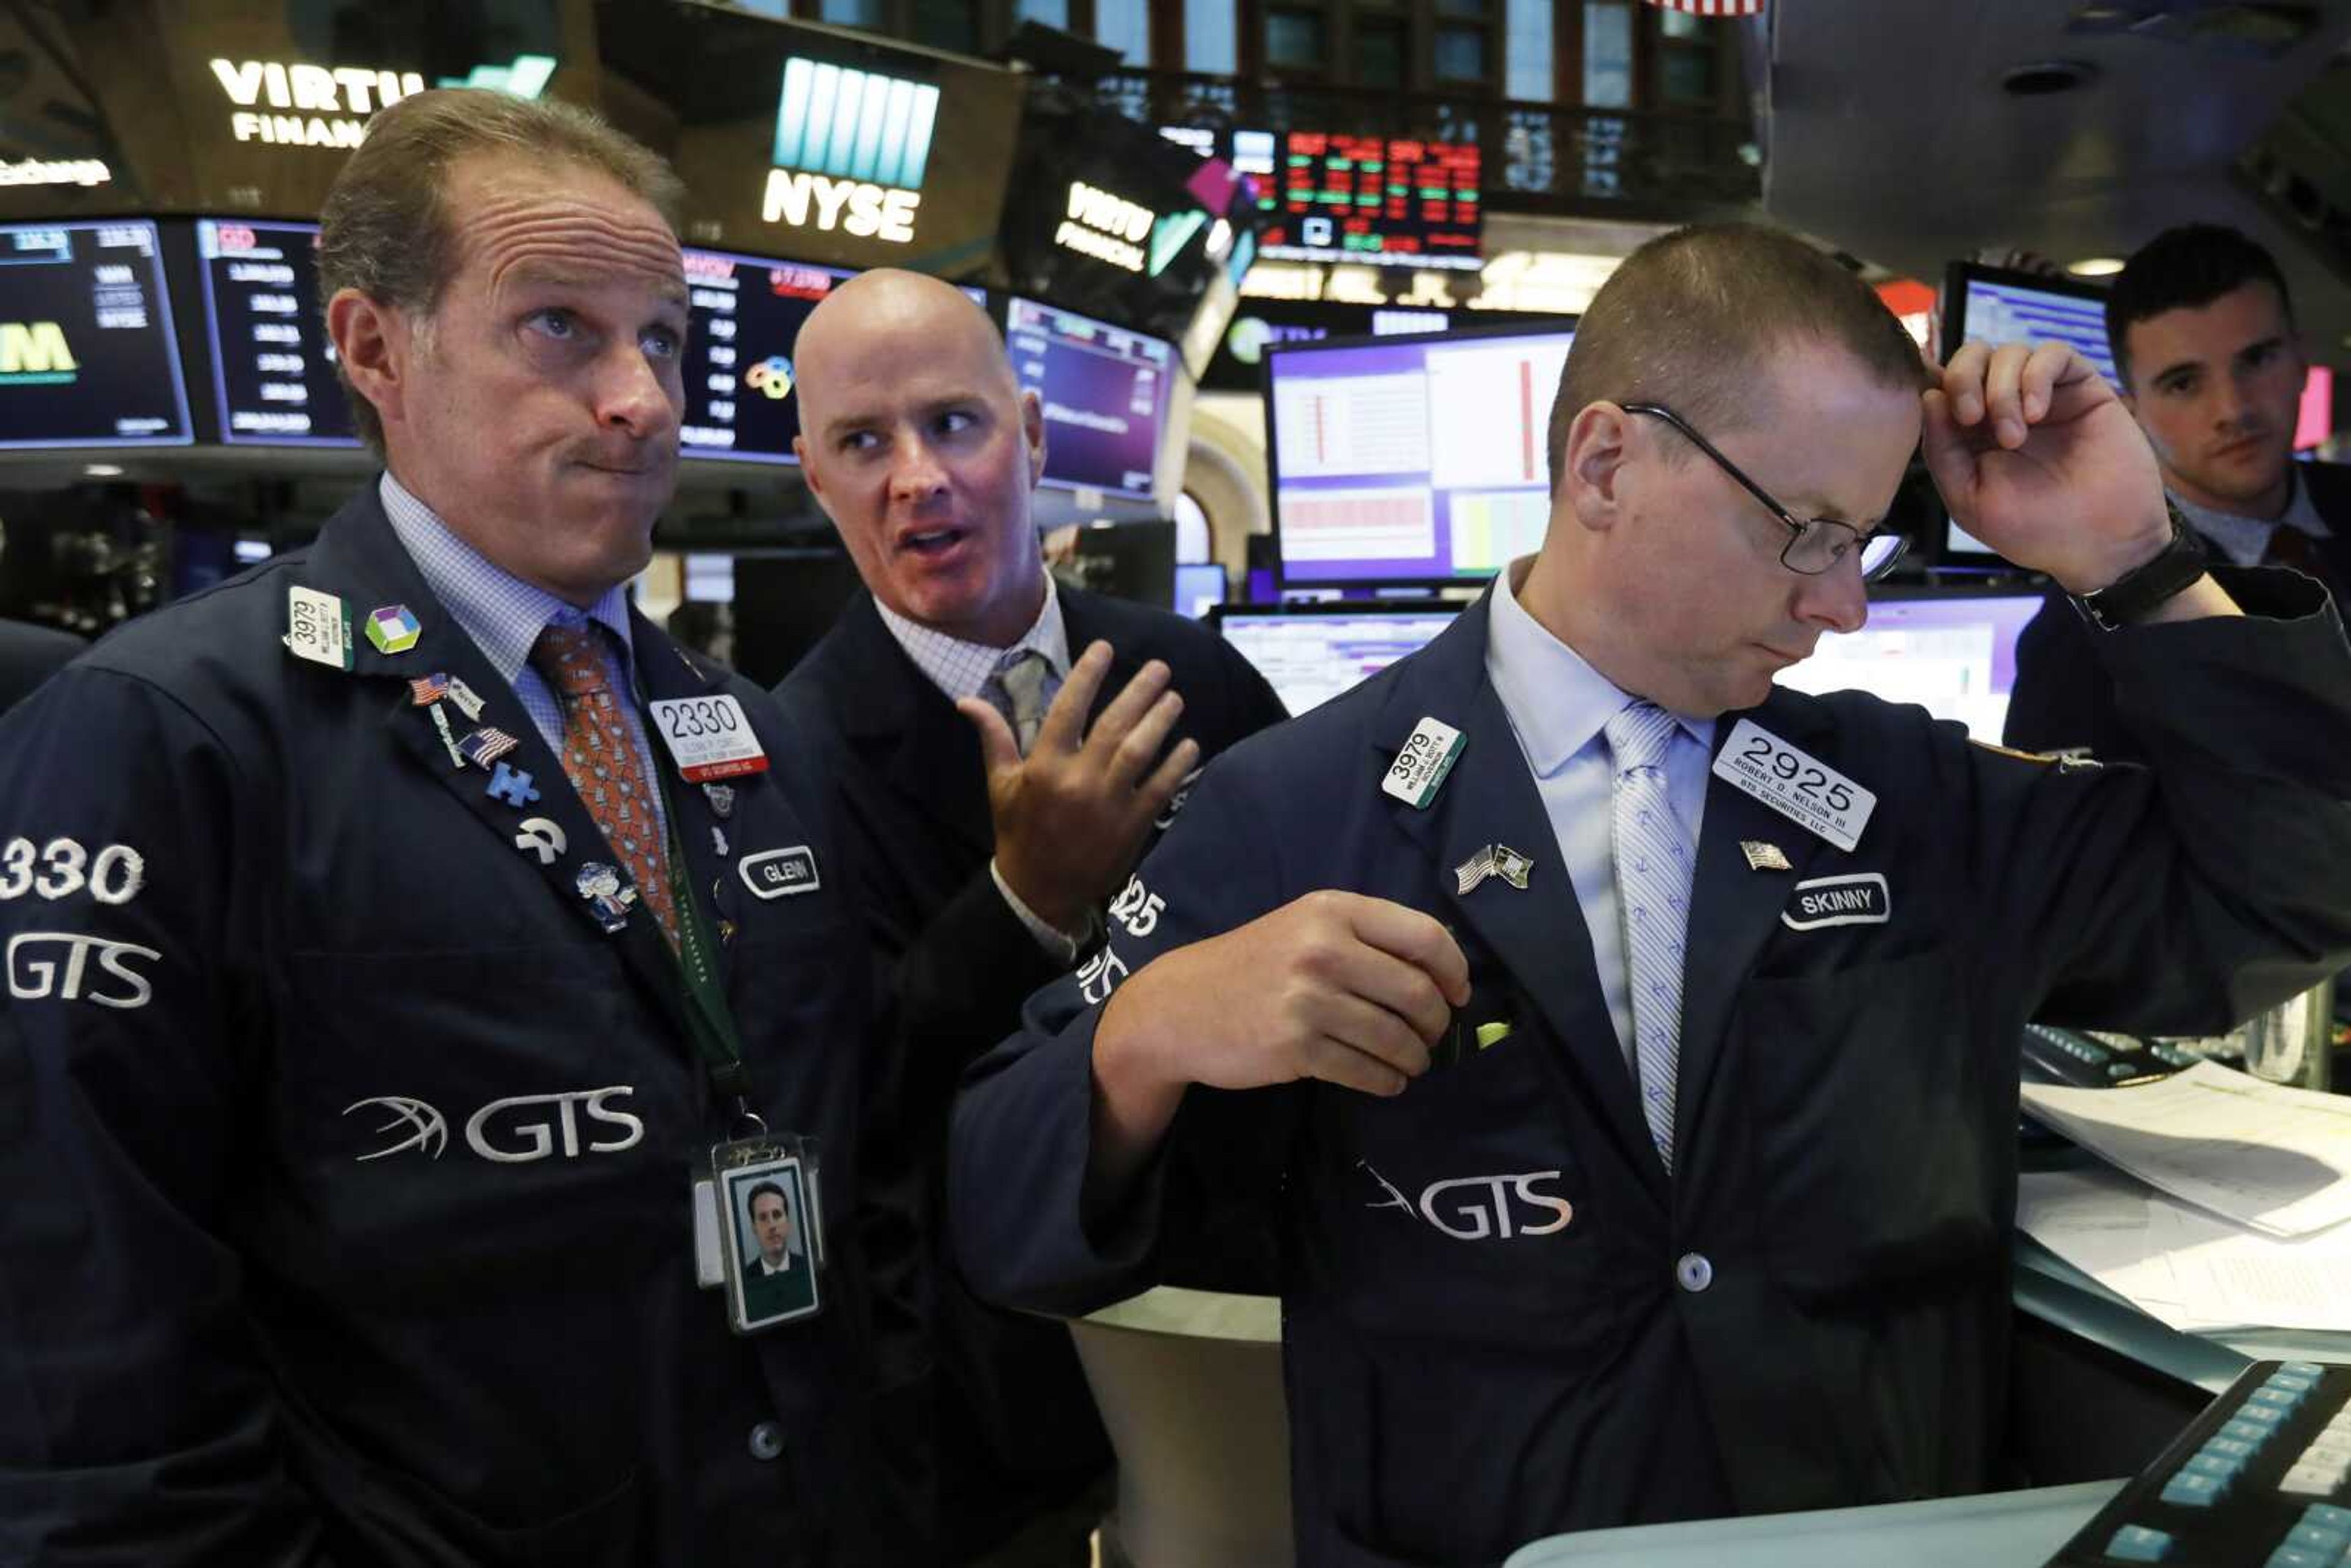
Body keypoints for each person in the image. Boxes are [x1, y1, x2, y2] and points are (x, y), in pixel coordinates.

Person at [948, 222, 2351, 1566]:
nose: (1841, 603)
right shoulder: (1296, 803)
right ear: (1606, 459)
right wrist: (1143, 1034)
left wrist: (2137, 559)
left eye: (1858, 541)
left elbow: (2288, 895)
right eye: (1803, 529)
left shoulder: (1907, 803)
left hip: (1870, 1534)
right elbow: (997, 1202)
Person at [0, 89, 915, 1566]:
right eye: (560, 325)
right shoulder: (168, 738)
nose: (644, 398)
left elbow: (855, 1172)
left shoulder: (757, 735)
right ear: (374, 347)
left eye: (663, 339)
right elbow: (82, 1363)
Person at [775, 269, 1288, 1564]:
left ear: (1036, 436)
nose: (917, 476)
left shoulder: (1196, 675)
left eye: (955, 423)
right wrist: (1025, 900)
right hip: (990, 1418)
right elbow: (840, 1106)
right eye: (862, 441)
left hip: (1244, 1335)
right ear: (813, 477)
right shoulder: (781, 758)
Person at [2006, 222, 2351, 758]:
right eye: (2184, 383)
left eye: (2257, 360)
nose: (2233, 410)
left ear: (2302, 361)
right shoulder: (2087, 623)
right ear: (2132, 410)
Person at [741, 1182, 816, 1322]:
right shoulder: (745, 1277)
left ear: (788, 1221)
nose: (772, 1226)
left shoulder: (807, 1266)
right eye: (763, 1218)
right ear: (754, 1227)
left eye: (777, 1215)